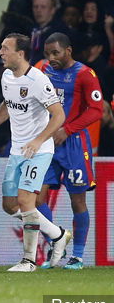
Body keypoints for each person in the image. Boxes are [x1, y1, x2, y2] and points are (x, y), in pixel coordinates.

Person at [0, 33, 71, 272]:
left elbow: (59, 115)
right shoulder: (7, 77)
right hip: (17, 149)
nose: (0, 52)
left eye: (5, 48)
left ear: (20, 54)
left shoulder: (38, 80)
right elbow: (7, 104)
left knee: (25, 200)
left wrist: (39, 139)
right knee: (10, 205)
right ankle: (57, 234)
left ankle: (28, 261)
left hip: (39, 149)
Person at [35, 33, 103, 270]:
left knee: (77, 201)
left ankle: (78, 257)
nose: (51, 58)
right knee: (36, 198)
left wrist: (68, 129)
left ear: (68, 51)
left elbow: (96, 110)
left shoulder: (85, 74)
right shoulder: (42, 69)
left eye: (56, 53)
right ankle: (56, 242)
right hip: (48, 141)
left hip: (74, 144)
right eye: (47, 54)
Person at [30, 0, 71, 64]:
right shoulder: (31, 29)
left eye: (43, 7)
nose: (38, 10)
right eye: (35, 7)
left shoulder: (60, 32)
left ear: (52, 10)